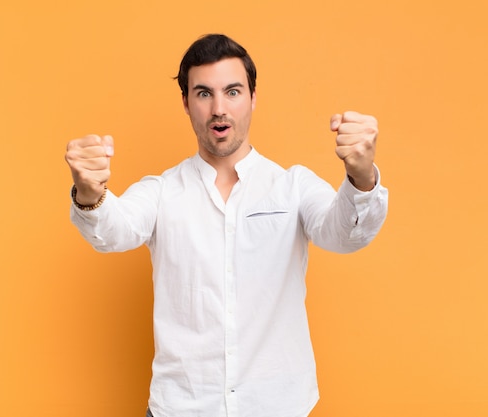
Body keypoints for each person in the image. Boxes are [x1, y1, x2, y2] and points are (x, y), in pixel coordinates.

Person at [65, 34, 388, 417]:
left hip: (277, 406)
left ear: (253, 97)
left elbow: (345, 234)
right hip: (181, 408)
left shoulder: (292, 186)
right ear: (186, 103)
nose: (219, 108)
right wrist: (89, 190)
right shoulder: (161, 191)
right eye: (203, 94)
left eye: (232, 91)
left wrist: (361, 176)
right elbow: (113, 231)